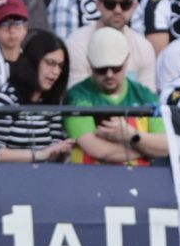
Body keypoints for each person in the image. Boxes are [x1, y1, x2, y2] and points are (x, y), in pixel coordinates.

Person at [64, 26, 168, 165]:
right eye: (101, 69)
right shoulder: (77, 96)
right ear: (89, 63)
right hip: (90, 181)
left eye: (116, 68)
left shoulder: (145, 95)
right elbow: (97, 150)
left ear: (127, 60)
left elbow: (165, 146)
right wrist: (146, 150)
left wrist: (131, 136)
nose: (109, 75)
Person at [0, 29, 73, 164]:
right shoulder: (4, 100)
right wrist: (39, 155)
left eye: (60, 66)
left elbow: (53, 147)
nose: (56, 72)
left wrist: (60, 151)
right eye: (50, 63)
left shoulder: (52, 103)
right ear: (32, 61)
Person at [64, 0, 154, 88]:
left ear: (134, 6)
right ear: (98, 4)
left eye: (125, 4)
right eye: (110, 3)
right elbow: (76, 98)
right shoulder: (77, 43)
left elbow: (148, 100)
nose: (117, 10)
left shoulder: (144, 48)